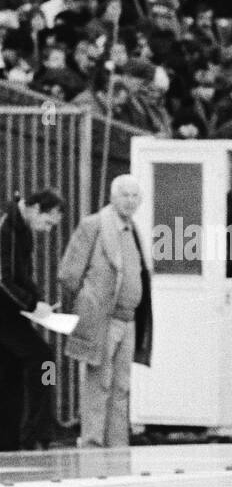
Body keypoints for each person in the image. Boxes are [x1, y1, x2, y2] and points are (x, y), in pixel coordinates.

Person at [58, 175, 153, 449]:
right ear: (112, 197)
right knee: (99, 382)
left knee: (122, 386)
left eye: (135, 195)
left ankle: (117, 444)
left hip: (129, 319)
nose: (130, 200)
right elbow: (68, 275)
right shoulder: (94, 225)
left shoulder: (133, 228)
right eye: (125, 194)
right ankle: (91, 442)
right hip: (104, 317)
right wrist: (89, 304)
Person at [0, 189, 63, 451]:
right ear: (36, 208)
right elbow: (3, 278)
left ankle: (10, 442)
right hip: (5, 313)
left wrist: (39, 302)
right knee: (45, 358)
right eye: (47, 223)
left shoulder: (21, 227)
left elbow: (21, 275)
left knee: (10, 372)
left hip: (12, 311)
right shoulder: (6, 225)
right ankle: (40, 430)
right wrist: (32, 305)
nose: (47, 230)